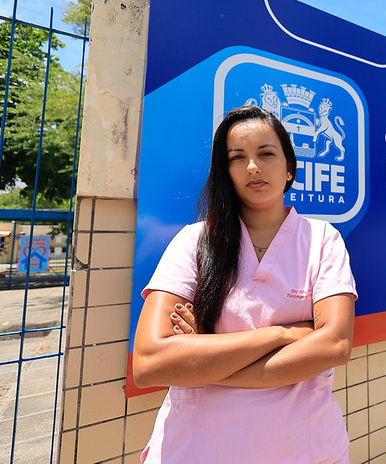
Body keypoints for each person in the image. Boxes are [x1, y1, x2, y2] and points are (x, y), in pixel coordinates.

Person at [132, 106, 357, 463]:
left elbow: (334, 345)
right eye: (238, 158)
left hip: (304, 450)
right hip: (196, 450)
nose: (252, 167)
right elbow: (149, 364)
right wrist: (280, 336)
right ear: (227, 172)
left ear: (290, 169)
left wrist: (204, 361)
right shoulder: (194, 242)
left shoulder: (321, 240)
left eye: (266, 153)